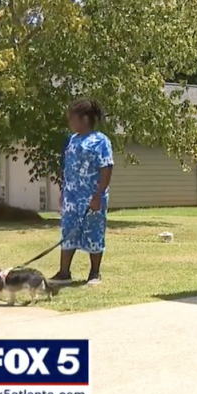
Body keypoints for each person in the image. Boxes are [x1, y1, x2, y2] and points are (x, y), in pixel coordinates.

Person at [50, 98, 114, 286]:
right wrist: (64, 191)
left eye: (72, 118)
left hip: (91, 197)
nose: (70, 122)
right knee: (68, 232)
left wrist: (99, 195)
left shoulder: (100, 141)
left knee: (94, 232)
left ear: (84, 119)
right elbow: (68, 168)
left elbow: (107, 168)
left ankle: (94, 274)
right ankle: (64, 273)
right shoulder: (73, 140)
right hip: (71, 196)